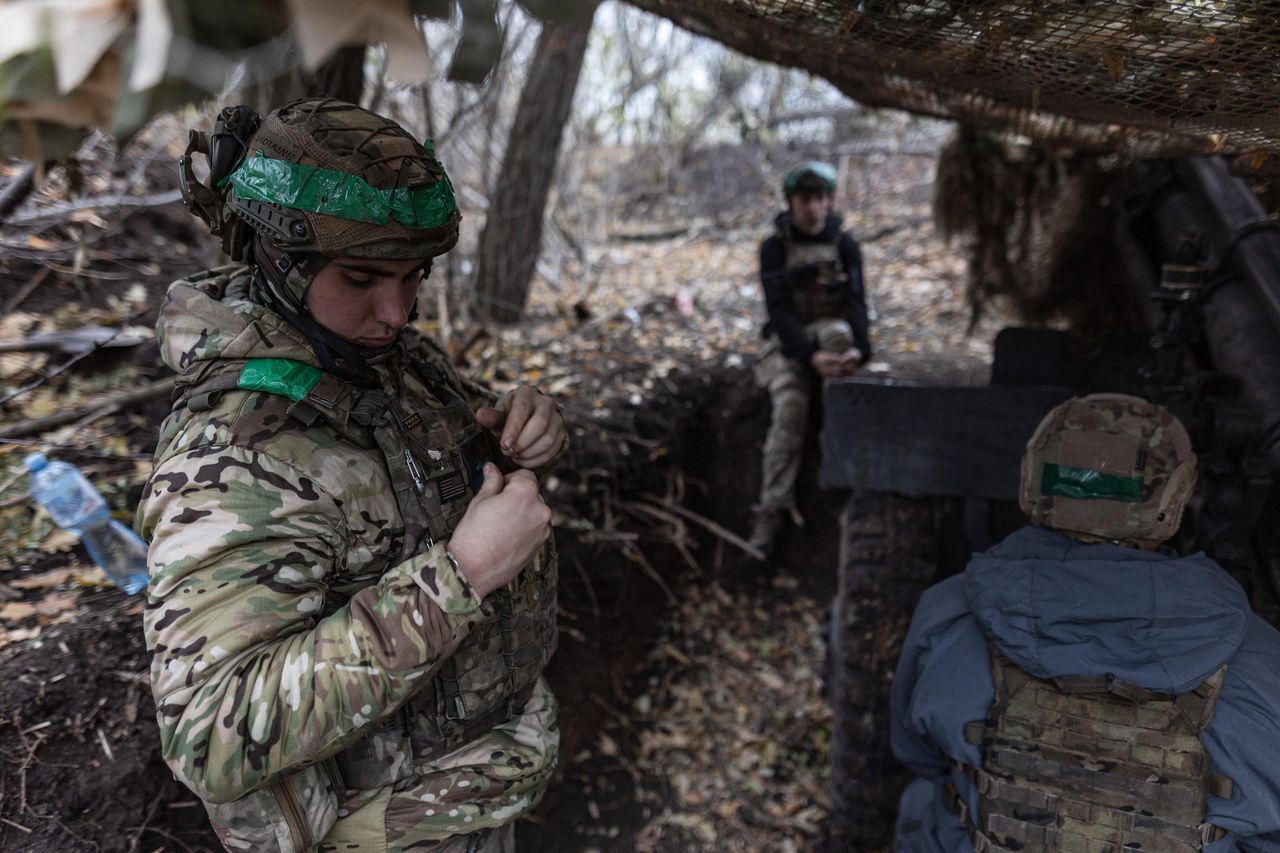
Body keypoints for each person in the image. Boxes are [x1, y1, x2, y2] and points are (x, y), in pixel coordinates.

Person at [138, 98, 566, 852]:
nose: (397, 311)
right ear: (280, 260)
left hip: (468, 795)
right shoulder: (232, 455)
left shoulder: (376, 360)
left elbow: (407, 483)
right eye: (364, 277)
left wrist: (509, 438)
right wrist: (461, 574)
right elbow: (210, 734)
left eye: (414, 277)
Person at [890, 393, 1280, 852]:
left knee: (925, 803)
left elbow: (915, 753)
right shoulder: (1259, 654)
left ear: (1030, 482)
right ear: (1175, 499)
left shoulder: (949, 612)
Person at [748, 161, 873, 555]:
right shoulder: (775, 247)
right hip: (790, 344)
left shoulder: (845, 244)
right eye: (806, 199)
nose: (814, 207)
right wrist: (807, 357)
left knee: (843, 397)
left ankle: (844, 494)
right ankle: (772, 509)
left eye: (820, 198)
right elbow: (779, 309)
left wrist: (860, 350)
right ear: (791, 202)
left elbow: (856, 302)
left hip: (833, 339)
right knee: (790, 409)